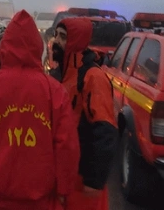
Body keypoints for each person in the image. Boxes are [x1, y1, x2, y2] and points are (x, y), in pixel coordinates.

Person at [0, 10, 80, 210]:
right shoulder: (54, 92)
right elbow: (66, 145)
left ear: (4, 46)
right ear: (37, 46)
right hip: (39, 200)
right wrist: (63, 189)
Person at [49, 17, 117, 210]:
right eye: (56, 35)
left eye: (63, 37)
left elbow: (105, 130)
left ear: (76, 40)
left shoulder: (93, 77)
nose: (57, 41)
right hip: (61, 176)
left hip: (82, 180)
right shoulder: (58, 74)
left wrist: (94, 180)